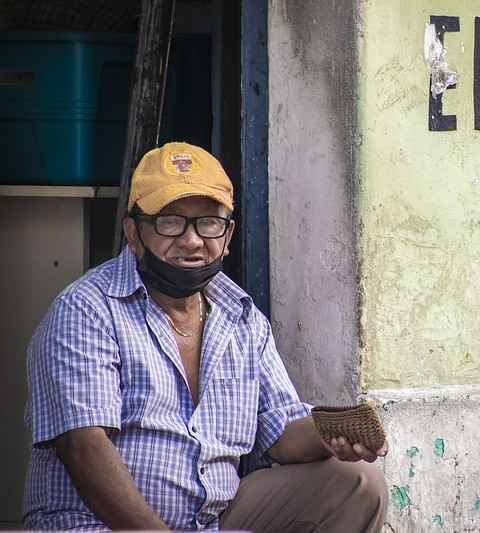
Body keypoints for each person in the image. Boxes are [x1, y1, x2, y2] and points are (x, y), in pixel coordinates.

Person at [23, 142, 389, 532]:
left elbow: (280, 432)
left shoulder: (242, 318)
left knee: (358, 485)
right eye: (170, 221)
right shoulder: (86, 309)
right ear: (133, 232)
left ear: (227, 234)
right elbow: (82, 447)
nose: (192, 240)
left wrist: (333, 433)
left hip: (210, 521)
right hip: (96, 525)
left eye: (208, 222)